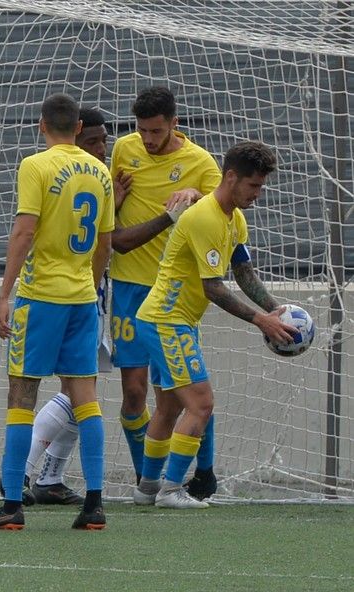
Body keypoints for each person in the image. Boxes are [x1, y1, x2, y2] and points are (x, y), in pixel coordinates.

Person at [0, 93, 114, 531]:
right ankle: (94, 505)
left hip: (41, 298)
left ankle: (12, 503)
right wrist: (89, 287)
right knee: (85, 398)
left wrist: (4, 294)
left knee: (22, 396)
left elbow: (24, 231)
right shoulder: (100, 171)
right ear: (77, 128)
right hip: (82, 299)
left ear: (41, 126)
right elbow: (105, 243)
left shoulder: (35, 165)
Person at [132, 141, 296, 508]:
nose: (258, 194)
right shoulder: (205, 217)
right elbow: (213, 288)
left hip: (168, 321)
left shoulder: (233, 217)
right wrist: (261, 322)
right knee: (202, 405)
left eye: (261, 187)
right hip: (167, 321)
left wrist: (275, 308)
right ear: (232, 177)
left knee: (170, 408)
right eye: (253, 186)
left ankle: (146, 489)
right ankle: (172, 490)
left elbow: (242, 271)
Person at [109, 87, 223, 497]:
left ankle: (201, 473)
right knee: (133, 392)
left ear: (175, 123)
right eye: (142, 131)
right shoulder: (124, 149)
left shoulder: (200, 163)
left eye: (156, 131)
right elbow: (113, 225)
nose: (148, 140)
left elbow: (224, 211)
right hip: (128, 286)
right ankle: (147, 477)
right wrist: (114, 201)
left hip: (172, 292)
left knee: (176, 393)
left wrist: (197, 197)